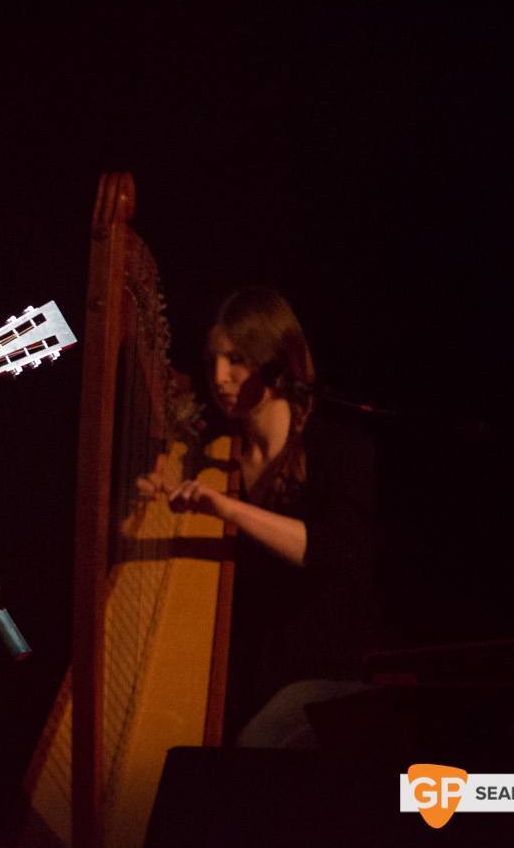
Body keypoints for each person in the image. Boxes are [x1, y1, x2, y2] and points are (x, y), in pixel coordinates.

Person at [140, 287, 379, 748]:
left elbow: (334, 551)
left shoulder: (340, 449)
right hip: (254, 675)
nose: (219, 376)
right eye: (213, 360)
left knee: (257, 745)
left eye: (237, 360)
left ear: (275, 364)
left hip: (330, 671)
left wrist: (229, 508)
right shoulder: (210, 456)